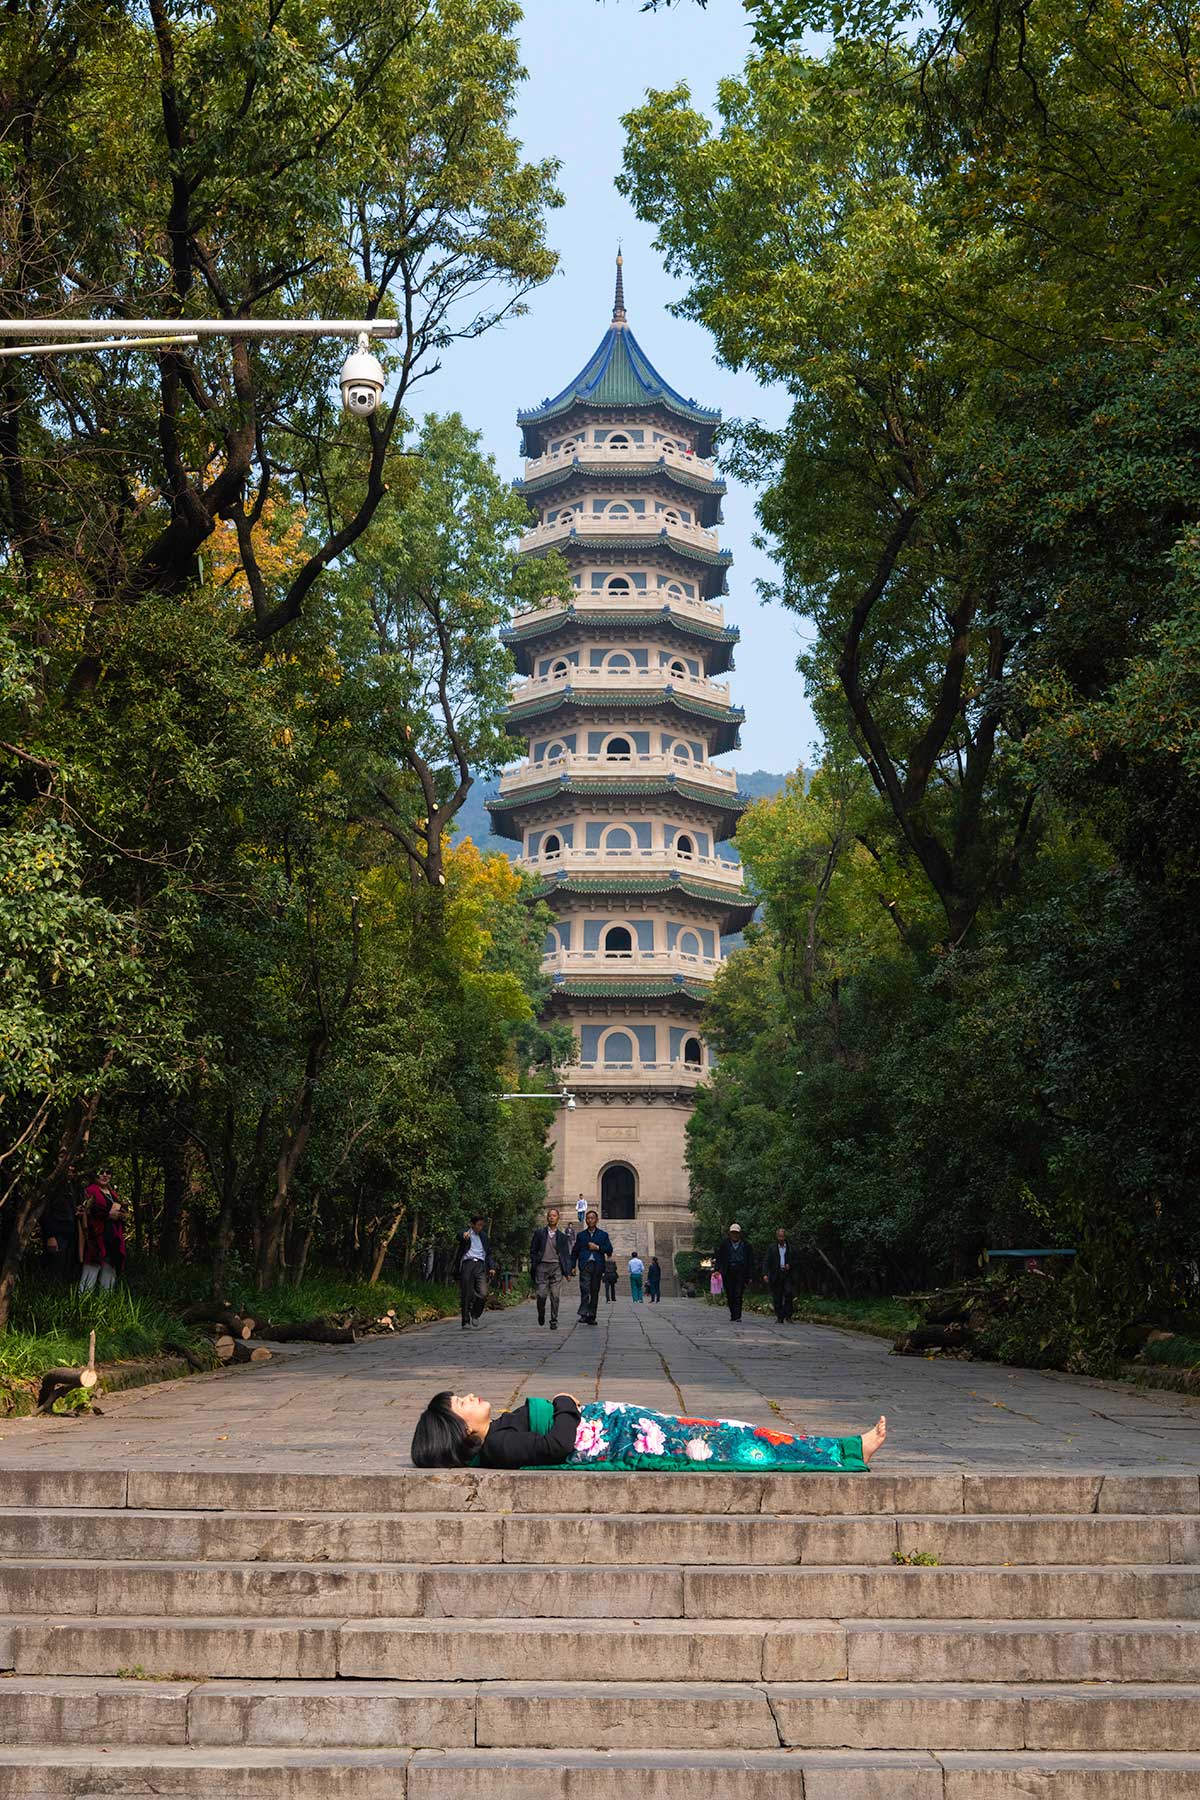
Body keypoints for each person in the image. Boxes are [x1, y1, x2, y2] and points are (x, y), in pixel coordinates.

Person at [412, 1387, 887, 1474]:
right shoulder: (497, 1444)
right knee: (738, 1442)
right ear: (462, 1431)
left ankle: (841, 1448)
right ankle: (843, 1451)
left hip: (633, 1428)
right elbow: (558, 1446)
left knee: (734, 1433)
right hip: (636, 1440)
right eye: (460, 1405)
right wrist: (562, 1403)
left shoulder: (497, 1431)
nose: (470, 1397)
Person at [79, 1168, 126, 1293]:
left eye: (108, 1172)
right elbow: (87, 1213)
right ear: (95, 1174)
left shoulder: (113, 1193)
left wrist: (121, 1214)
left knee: (109, 1270)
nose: (105, 1175)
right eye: (101, 1172)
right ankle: (84, 1302)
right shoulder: (90, 1191)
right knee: (91, 1268)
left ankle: (106, 1303)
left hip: (112, 1237)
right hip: (96, 1236)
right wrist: (108, 1215)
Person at [529, 1206, 572, 1330]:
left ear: (558, 1218)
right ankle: (541, 1313)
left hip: (556, 1267)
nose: (552, 1217)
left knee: (555, 1295)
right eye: (550, 1216)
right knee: (541, 1295)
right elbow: (533, 1250)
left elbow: (565, 1255)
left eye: (554, 1216)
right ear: (547, 1218)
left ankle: (554, 1319)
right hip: (542, 1266)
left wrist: (567, 1271)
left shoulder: (562, 1237)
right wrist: (535, 1262)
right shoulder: (539, 1233)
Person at [453, 1214, 496, 1331]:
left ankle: (475, 1314)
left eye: (482, 1225)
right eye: (478, 1225)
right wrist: (463, 1235)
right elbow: (459, 1236)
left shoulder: (484, 1237)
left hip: (480, 1265)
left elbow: (489, 1253)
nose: (480, 1227)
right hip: (468, 1264)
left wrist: (492, 1267)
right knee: (466, 1293)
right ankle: (465, 1321)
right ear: (472, 1224)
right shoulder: (466, 1233)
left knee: (483, 1293)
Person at [570, 1210, 612, 1324]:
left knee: (594, 1291)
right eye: (588, 1218)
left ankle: (592, 1315)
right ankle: (583, 1314)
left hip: (598, 1266)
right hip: (585, 1265)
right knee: (584, 1290)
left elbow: (609, 1250)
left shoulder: (603, 1235)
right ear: (586, 1220)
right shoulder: (581, 1235)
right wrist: (572, 1266)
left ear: (597, 1220)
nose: (590, 1220)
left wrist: (597, 1247)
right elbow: (575, 1252)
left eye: (592, 1218)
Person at [714, 1222, 754, 1322]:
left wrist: (750, 1276)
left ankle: (738, 1316)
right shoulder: (724, 1245)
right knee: (730, 1294)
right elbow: (719, 1258)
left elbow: (750, 1261)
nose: (734, 1235)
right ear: (730, 1233)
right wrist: (717, 1270)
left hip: (741, 1271)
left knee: (738, 1293)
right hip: (729, 1272)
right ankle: (733, 1314)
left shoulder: (746, 1245)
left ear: (739, 1234)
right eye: (733, 1233)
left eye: (736, 1233)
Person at [40, 1183, 79, 1284]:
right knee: (55, 1269)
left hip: (70, 1236)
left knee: (66, 1270)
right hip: (57, 1236)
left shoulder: (71, 1188)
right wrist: (50, 1236)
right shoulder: (53, 1189)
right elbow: (45, 1214)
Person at [763, 1227, 796, 1324]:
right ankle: (779, 1316)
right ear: (776, 1237)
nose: (781, 1238)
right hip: (776, 1274)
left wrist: (790, 1265)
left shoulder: (791, 1248)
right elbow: (766, 1261)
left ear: (785, 1237)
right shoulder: (772, 1248)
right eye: (779, 1236)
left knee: (788, 1293)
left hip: (787, 1274)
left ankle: (788, 1315)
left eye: (783, 1236)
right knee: (777, 1296)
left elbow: (797, 1260)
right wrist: (765, 1274)